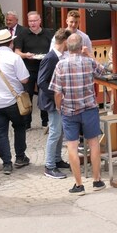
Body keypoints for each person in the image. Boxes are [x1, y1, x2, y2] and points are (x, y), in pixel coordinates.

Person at [49, 33, 107, 196]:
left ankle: (79, 184)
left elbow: (57, 92)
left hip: (69, 110)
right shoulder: (89, 62)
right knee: (93, 143)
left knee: (72, 146)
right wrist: (89, 54)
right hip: (89, 108)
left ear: (67, 46)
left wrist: (60, 108)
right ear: (82, 46)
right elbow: (103, 71)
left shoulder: (61, 65)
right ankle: (97, 180)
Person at [0, 29, 31, 175]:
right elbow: (25, 79)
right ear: (11, 42)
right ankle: (20, 157)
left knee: (1, 132)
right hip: (13, 101)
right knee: (19, 127)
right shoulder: (14, 58)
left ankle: (6, 163)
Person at [37, 29, 72, 179]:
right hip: (52, 101)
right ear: (65, 42)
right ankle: (49, 166)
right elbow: (41, 82)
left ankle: (57, 160)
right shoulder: (51, 57)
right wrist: (57, 95)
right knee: (55, 132)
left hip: (56, 99)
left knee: (60, 131)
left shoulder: (58, 56)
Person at [14, 11, 54, 129]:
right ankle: (26, 122)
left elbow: (53, 49)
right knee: (27, 94)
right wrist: (26, 55)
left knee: (45, 93)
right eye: (30, 21)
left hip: (45, 68)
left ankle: (45, 121)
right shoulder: (22, 33)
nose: (33, 23)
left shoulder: (48, 33)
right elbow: (17, 52)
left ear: (40, 21)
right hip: (29, 68)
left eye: (35, 20)